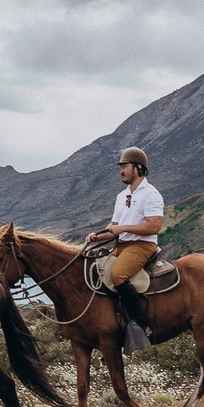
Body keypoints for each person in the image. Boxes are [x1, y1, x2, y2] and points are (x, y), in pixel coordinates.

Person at [85, 146, 164, 350]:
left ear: (138, 168)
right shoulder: (122, 196)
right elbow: (113, 228)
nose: (121, 171)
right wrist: (97, 235)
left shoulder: (151, 194)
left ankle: (140, 324)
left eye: (125, 166)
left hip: (142, 245)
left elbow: (154, 226)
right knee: (98, 272)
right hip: (122, 245)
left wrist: (123, 228)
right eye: (121, 167)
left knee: (118, 274)